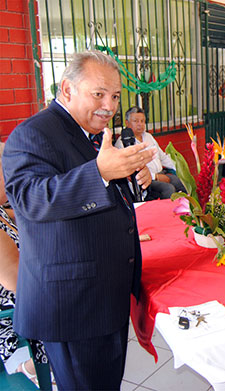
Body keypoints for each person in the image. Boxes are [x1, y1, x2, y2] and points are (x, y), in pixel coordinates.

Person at [2, 50, 155, 390]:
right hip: (74, 304)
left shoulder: (87, 132)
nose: (109, 106)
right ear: (67, 90)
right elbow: (31, 200)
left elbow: (95, 195)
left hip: (103, 293)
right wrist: (100, 172)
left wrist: (128, 174)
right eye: (98, 94)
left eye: (115, 96)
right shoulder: (33, 134)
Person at [0, 143, 48, 386]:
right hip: (10, 312)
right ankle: (33, 366)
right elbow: (16, 281)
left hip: (25, 289)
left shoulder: (1, 210)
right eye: (7, 170)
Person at [115, 106, 185, 200]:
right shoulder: (123, 143)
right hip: (146, 180)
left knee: (183, 182)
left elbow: (162, 157)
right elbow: (130, 171)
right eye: (136, 121)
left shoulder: (148, 136)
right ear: (127, 123)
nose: (140, 124)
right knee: (168, 189)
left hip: (161, 173)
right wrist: (155, 177)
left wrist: (179, 168)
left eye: (142, 121)